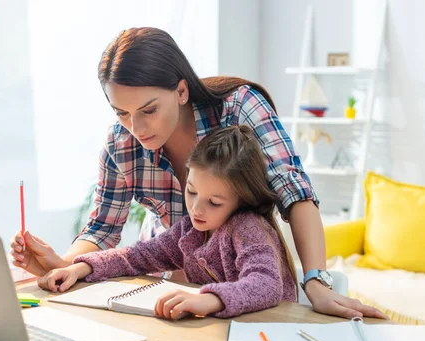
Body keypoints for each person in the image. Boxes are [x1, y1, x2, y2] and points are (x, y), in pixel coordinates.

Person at [10, 27, 386, 320]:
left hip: (239, 290)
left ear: (182, 91)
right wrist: (70, 266)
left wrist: (315, 282)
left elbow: (294, 193)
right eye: (121, 113)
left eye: (148, 109)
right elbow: (106, 233)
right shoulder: (122, 146)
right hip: (171, 289)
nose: (136, 127)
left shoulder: (239, 109)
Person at [37, 125, 297, 319]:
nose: (196, 208)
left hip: (271, 332)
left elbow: (266, 285)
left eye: (214, 202)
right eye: (192, 191)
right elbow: (138, 256)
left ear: (242, 200)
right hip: (225, 332)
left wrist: (209, 299)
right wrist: (80, 268)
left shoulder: (248, 228)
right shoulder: (189, 231)